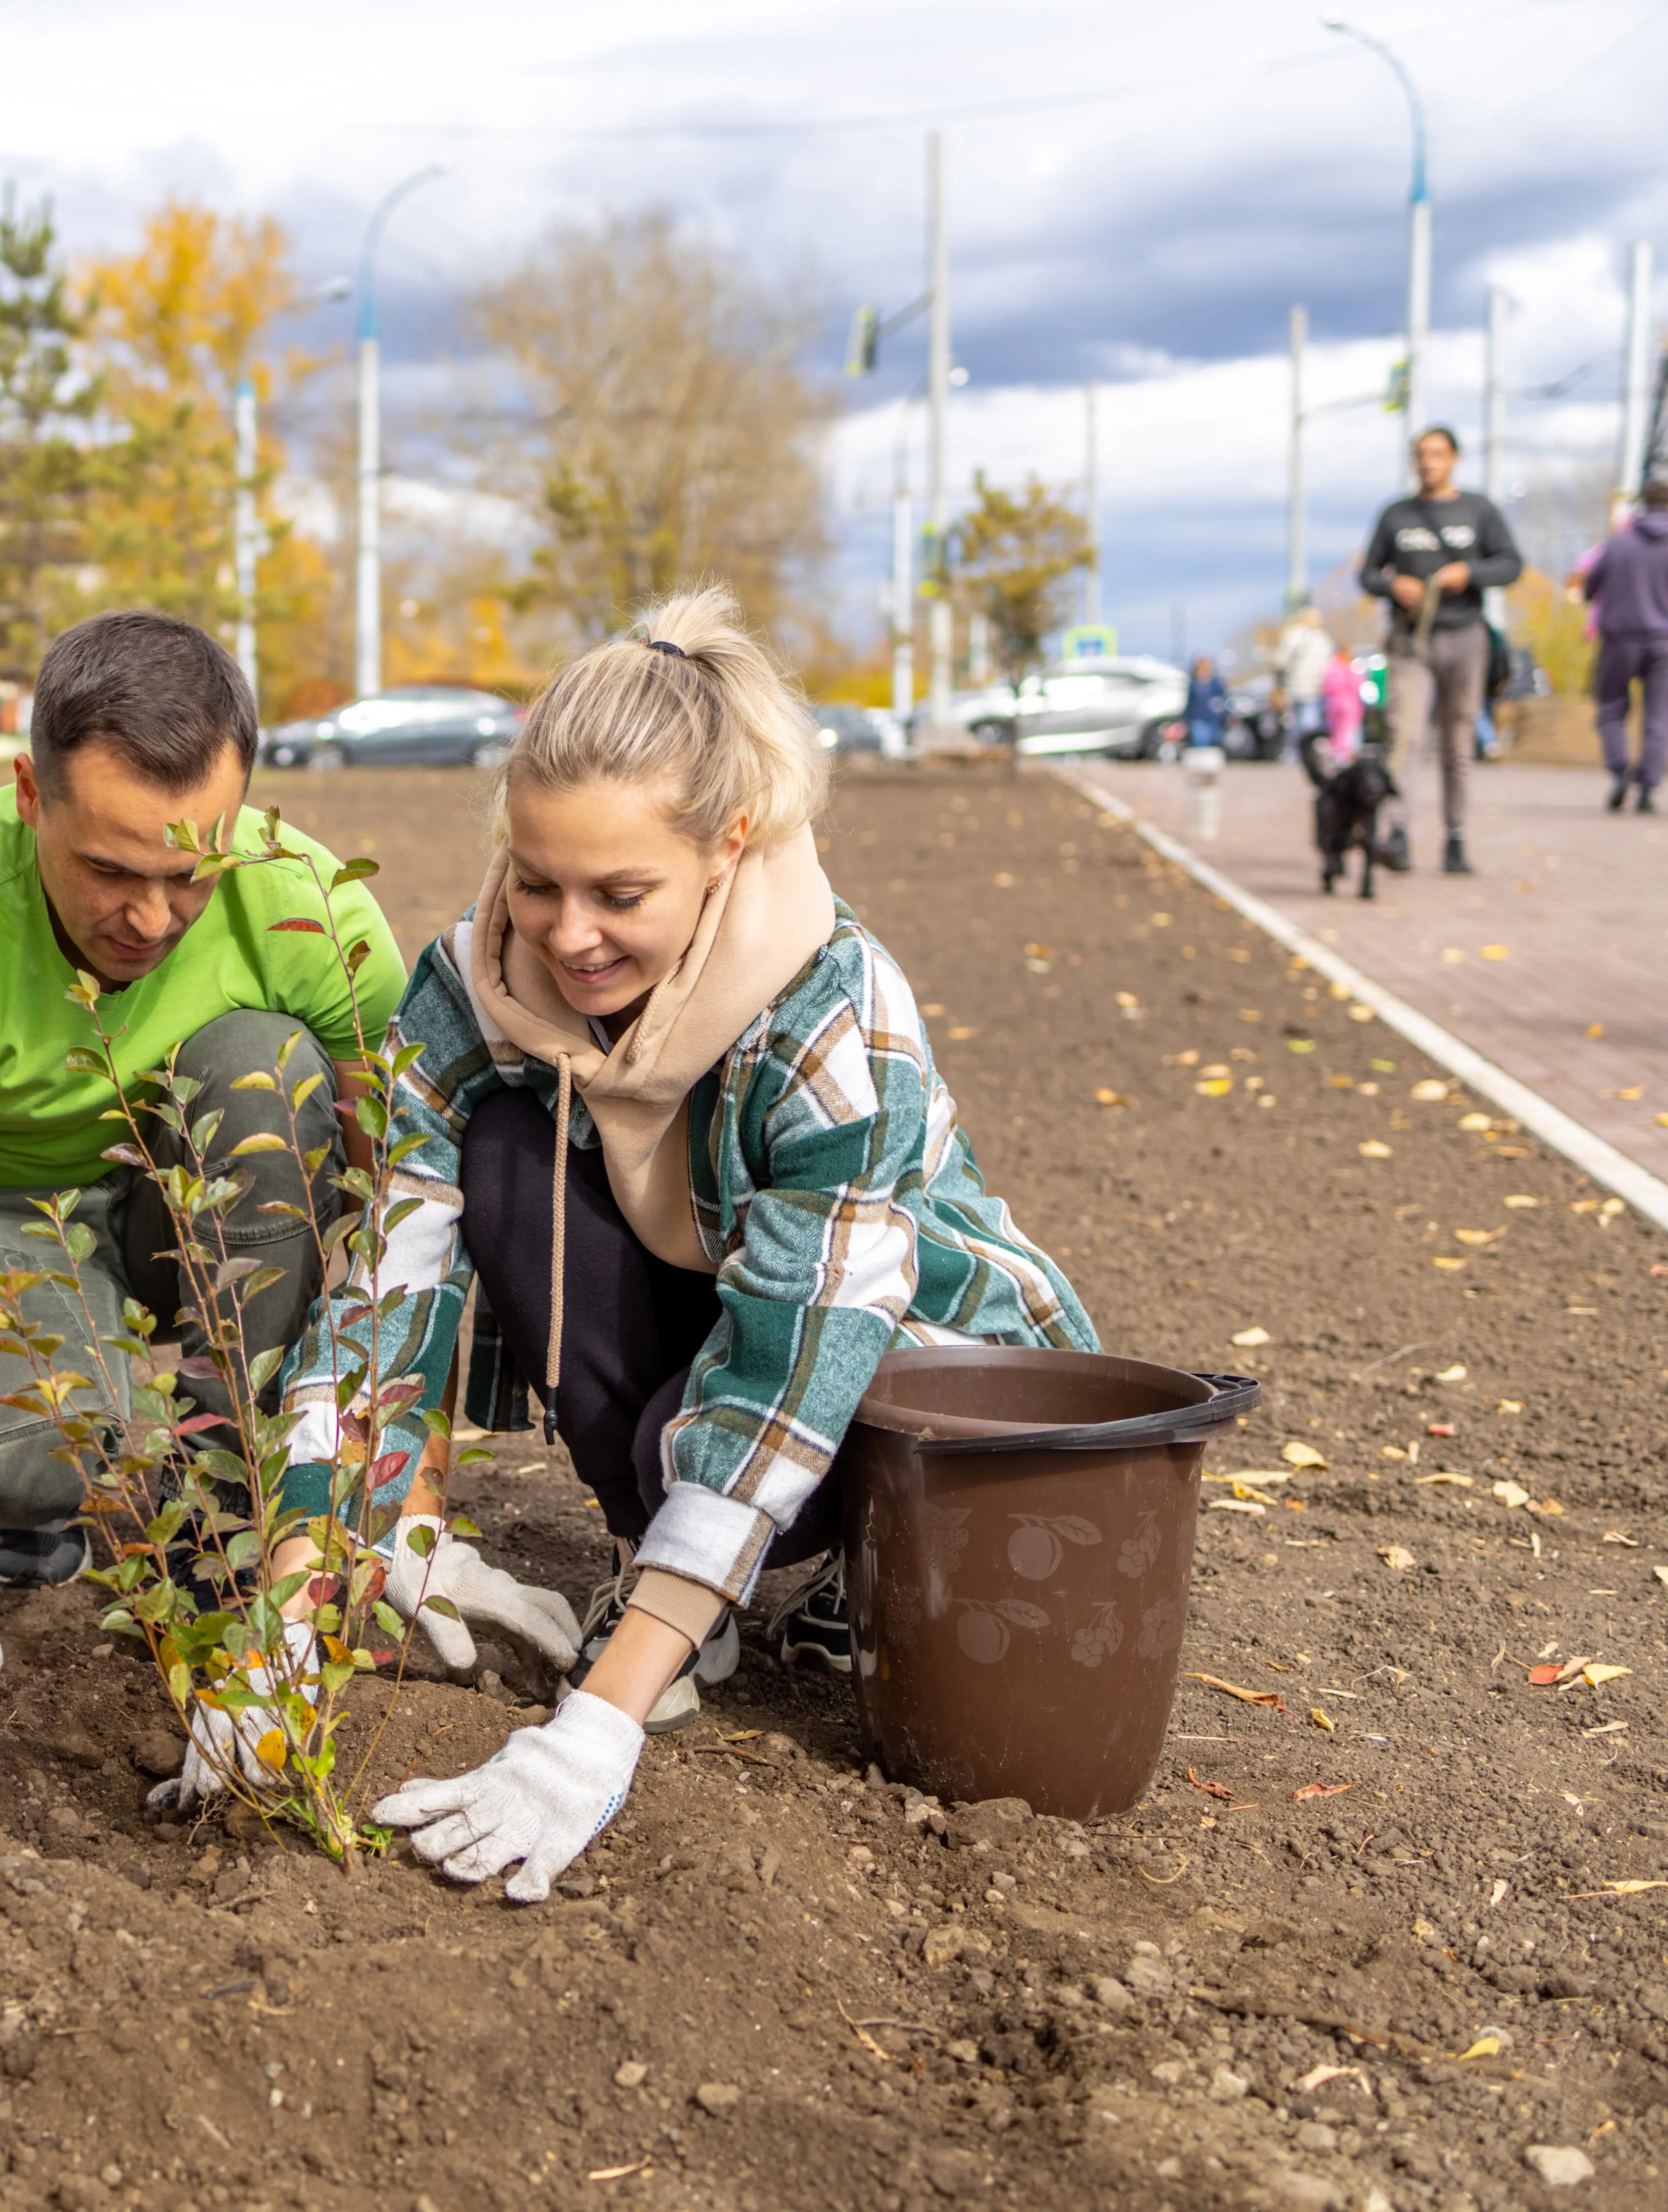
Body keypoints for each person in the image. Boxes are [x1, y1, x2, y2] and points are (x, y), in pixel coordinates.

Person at [245, 585, 1094, 1899]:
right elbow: (383, 1293)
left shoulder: (831, 1013)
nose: (570, 934)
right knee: (510, 1155)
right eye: (538, 883)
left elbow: (783, 1383)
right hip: (715, 1327)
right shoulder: (476, 983)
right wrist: (287, 1620)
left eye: (620, 893)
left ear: (730, 844)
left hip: (919, 1379)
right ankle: (674, 1593)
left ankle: (765, 1595)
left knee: (687, 1449)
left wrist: (592, 1731)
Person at [0, 611, 466, 1742]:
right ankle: (45, 1492)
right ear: (29, 794)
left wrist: (409, 1499)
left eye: (189, 873)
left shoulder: (309, 909)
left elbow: (417, 1222)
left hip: (179, 1190)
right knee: (43, 1457)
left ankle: (226, 1502)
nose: (152, 918)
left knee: (269, 1072)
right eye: (108, 869)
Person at [1357, 425, 1524, 875]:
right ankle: (1397, 834)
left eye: (1437, 454)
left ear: (1454, 459)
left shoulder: (1478, 510)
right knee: (1406, 736)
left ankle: (1455, 837)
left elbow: (1511, 565)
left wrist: (1468, 574)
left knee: (1458, 741)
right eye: (1420, 455)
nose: (1428, 462)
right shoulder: (1396, 514)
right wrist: (1395, 584)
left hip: (1465, 637)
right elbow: (1368, 574)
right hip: (1411, 641)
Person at [1580, 480, 1668, 813]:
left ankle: (1619, 770)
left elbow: (1591, 588)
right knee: (1659, 716)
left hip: (1619, 640)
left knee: (1611, 708)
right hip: (1665, 642)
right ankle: (1648, 788)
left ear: (1642, 505)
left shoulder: (1617, 545)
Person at [1274, 609, 1336, 747]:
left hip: (1295, 687)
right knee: (1310, 723)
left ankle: (1294, 753)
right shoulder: (1323, 639)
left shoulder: (1293, 636)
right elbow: (1329, 666)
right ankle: (1306, 753)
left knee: (1294, 723)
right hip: (1314, 688)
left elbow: (1280, 661)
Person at [1318, 647, 1368, 767]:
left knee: (1337, 731)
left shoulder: (1332, 667)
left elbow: (1326, 687)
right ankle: (1346, 757)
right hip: (1351, 704)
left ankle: (1335, 753)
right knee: (1348, 732)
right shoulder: (1351, 667)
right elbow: (1358, 684)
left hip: (1334, 704)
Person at [1181, 655, 1230, 752]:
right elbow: (1190, 704)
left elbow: (1224, 701)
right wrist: (1183, 719)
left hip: (1214, 719)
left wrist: (1228, 715)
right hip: (1198, 719)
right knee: (1201, 740)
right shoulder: (1194, 685)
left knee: (1214, 741)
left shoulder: (1216, 684)